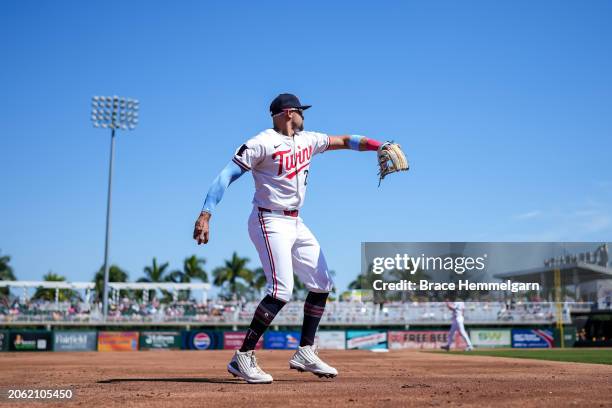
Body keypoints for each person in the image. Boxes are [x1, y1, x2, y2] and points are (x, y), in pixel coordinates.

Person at [193, 93, 388, 384]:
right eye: (301, 112)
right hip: (268, 219)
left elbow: (346, 140)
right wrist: (206, 213)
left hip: (296, 221)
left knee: (322, 283)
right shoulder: (261, 142)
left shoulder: (308, 139)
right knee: (281, 290)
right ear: (288, 113)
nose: (304, 117)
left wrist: (379, 146)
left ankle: (305, 351)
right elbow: (226, 175)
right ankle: (242, 357)